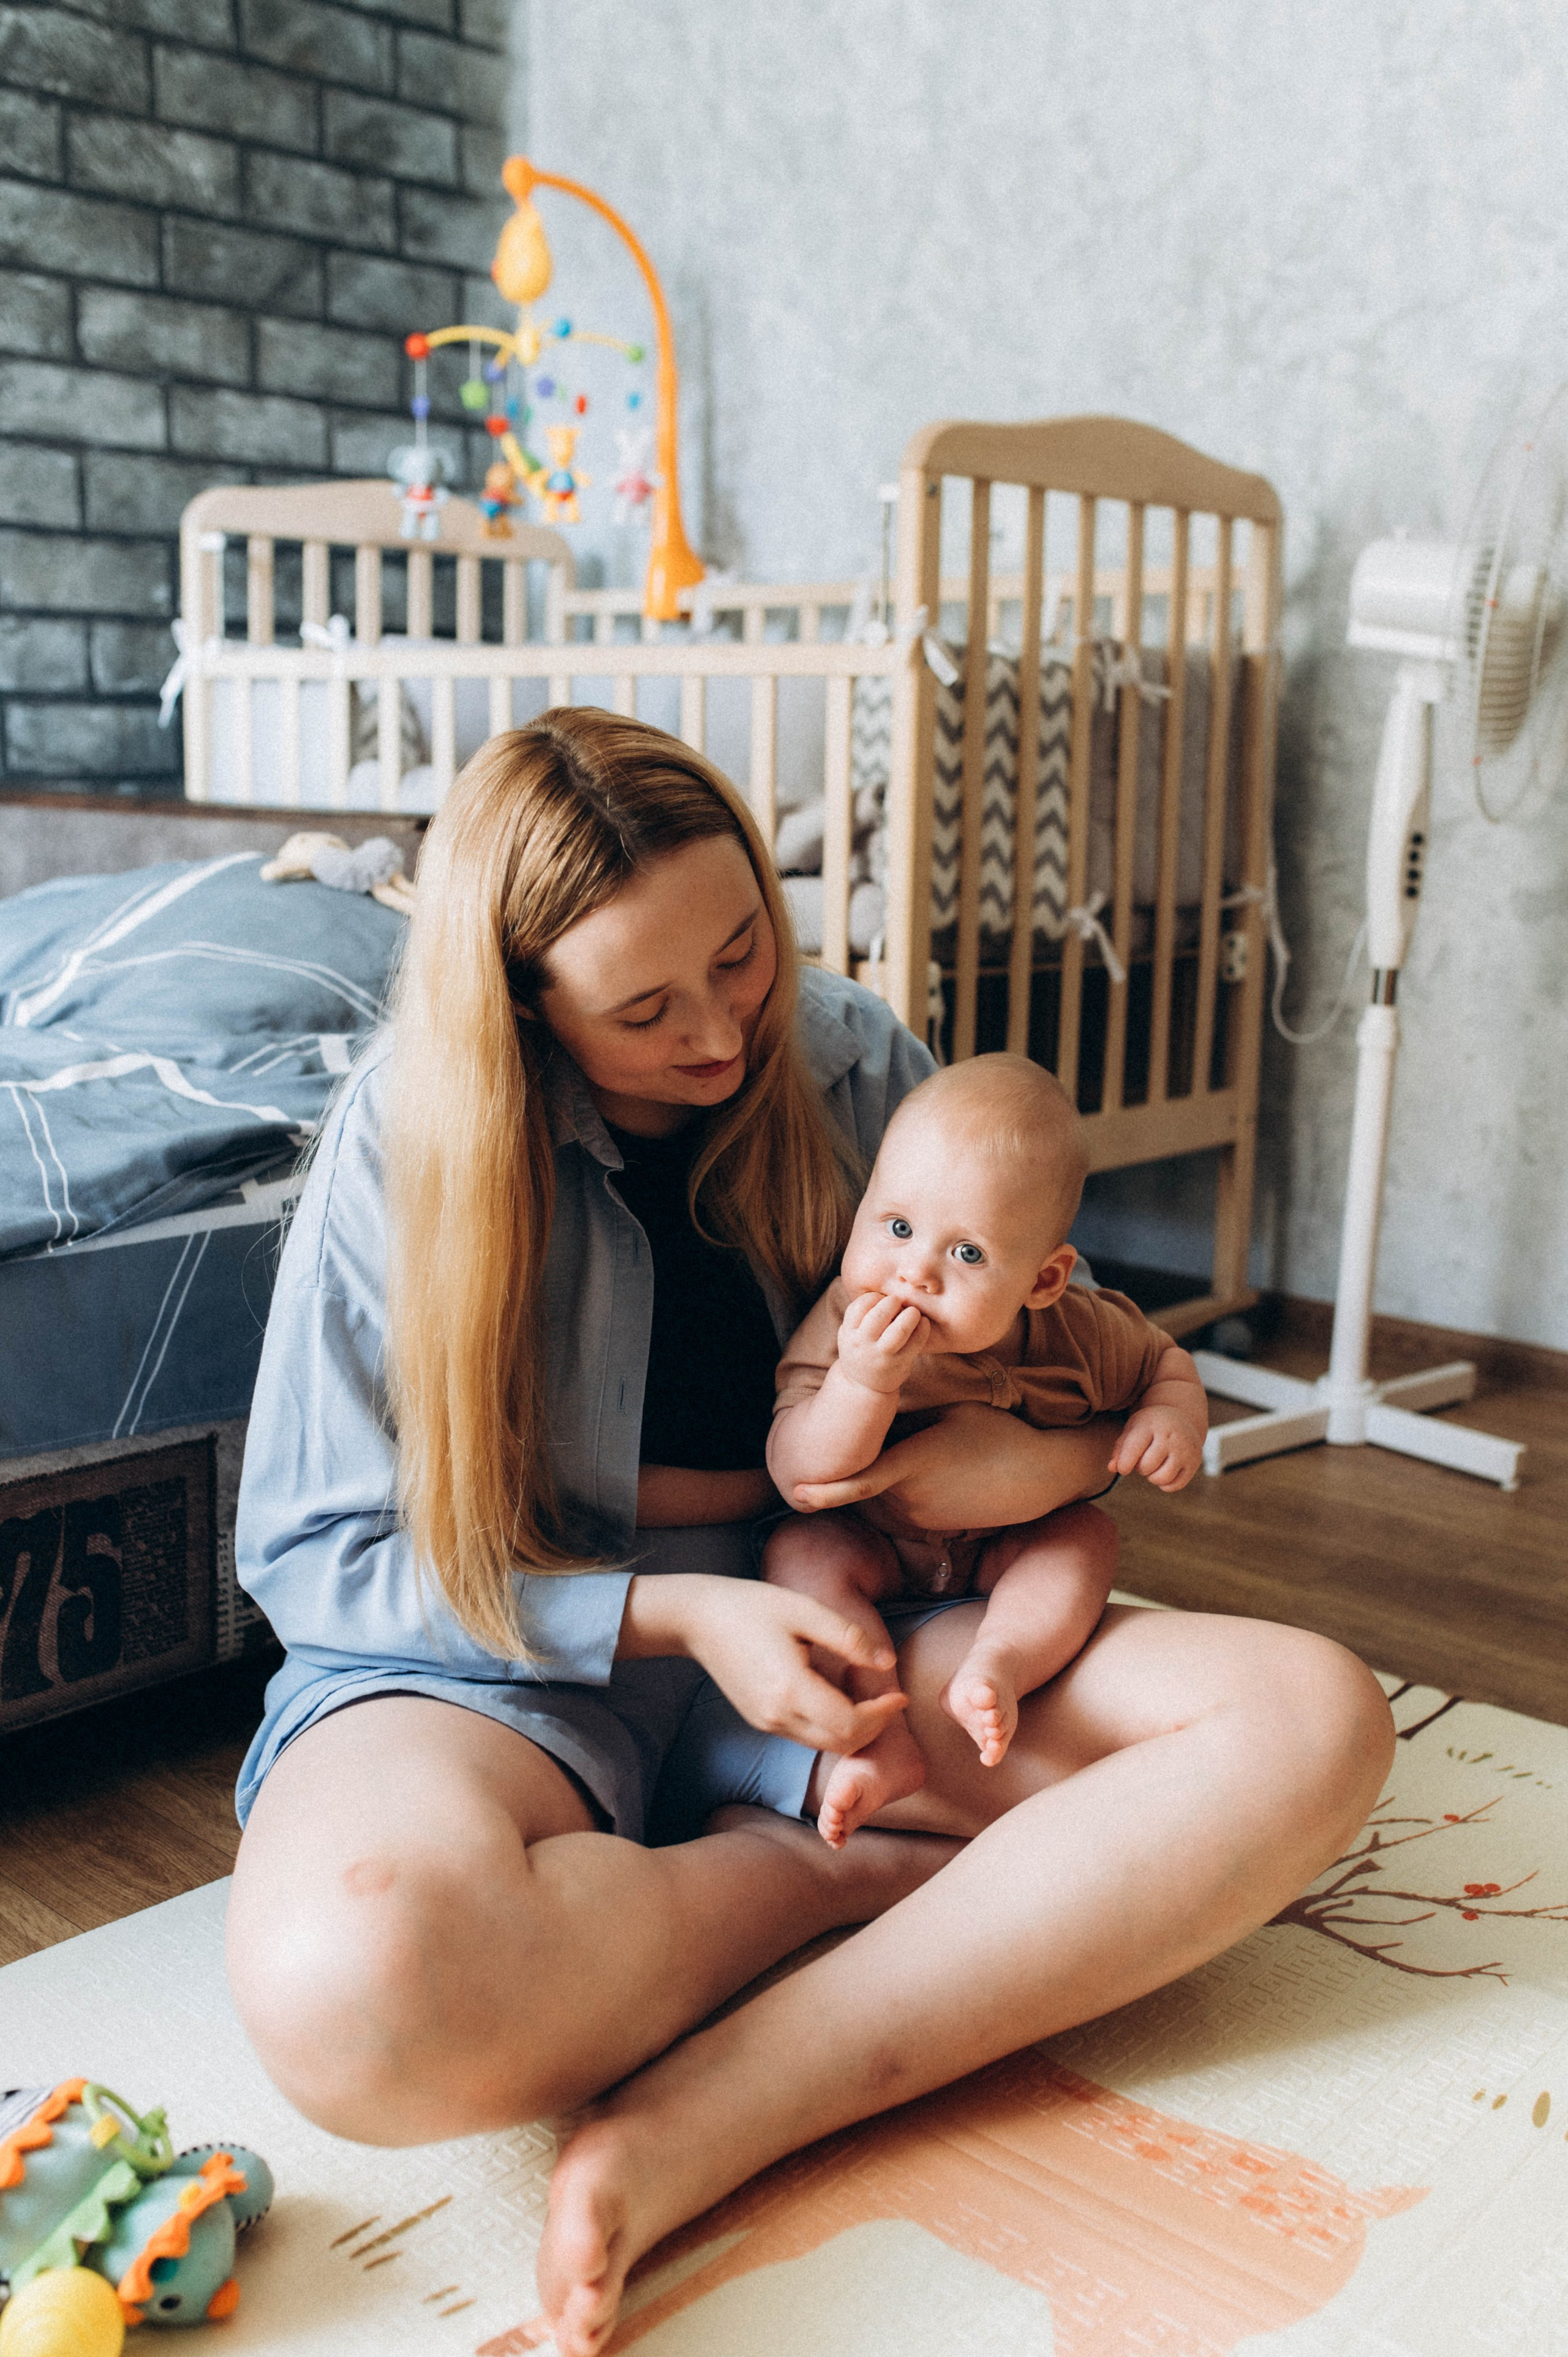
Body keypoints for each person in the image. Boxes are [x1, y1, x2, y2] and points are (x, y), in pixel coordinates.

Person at [224, 708, 1395, 2357]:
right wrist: (673, 1622)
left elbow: (1058, 1332)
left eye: (742, 955)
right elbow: (310, 1551)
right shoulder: (416, 1133)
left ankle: (734, 2102)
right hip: (517, 1657)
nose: (720, 1032)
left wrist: (1031, 1461)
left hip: (848, 1620)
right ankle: (807, 1881)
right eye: (645, 1007)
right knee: (360, 1998)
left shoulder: (849, 1057)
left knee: (1309, 1721)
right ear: (522, 1006)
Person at [764, 1052, 1208, 1847]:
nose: (915, 1272)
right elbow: (800, 1472)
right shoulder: (847, 1319)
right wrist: (863, 1384)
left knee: (1082, 1540)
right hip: (872, 1545)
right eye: (897, 1228)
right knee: (801, 1553)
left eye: (967, 1254)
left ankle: (1002, 1662)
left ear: (1044, 1280)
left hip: (1005, 1549)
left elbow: (1165, 1362)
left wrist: (1171, 1418)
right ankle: (877, 1732)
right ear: (861, 1212)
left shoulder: (1083, 1330)